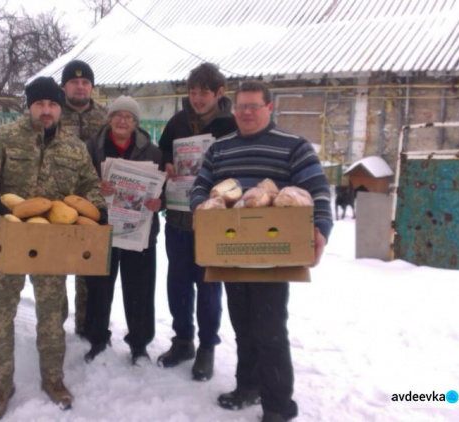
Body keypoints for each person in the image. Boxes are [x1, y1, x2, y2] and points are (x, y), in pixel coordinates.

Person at [0, 76, 107, 421]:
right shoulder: (4, 138)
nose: (47, 110)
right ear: (29, 106)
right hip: (10, 238)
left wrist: (99, 207)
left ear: (59, 108)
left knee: (52, 317)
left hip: (52, 242)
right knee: (2, 317)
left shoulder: (74, 147)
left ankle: (54, 381)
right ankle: (0, 387)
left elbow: (89, 184)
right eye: (40, 104)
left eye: (53, 104)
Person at [189, 81, 332, 422]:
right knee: (242, 327)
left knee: (268, 329)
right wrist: (201, 210)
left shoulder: (293, 146)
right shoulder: (220, 149)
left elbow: (318, 190)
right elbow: (200, 185)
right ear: (233, 109)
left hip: (273, 252)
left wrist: (321, 229)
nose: (247, 113)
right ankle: (248, 386)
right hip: (231, 250)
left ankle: (278, 406)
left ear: (270, 108)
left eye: (254, 106)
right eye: (241, 107)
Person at [157, 63, 239, 381]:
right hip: (178, 216)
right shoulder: (178, 121)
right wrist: (165, 162)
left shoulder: (230, 125)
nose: (197, 97)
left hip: (212, 220)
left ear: (219, 93)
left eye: (204, 91)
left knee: (208, 286)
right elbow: (164, 148)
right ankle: (182, 340)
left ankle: (206, 346)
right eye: (193, 91)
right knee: (177, 283)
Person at [82, 96, 163, 365]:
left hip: (139, 231)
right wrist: (97, 187)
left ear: (136, 122)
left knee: (140, 289)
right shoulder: (93, 147)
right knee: (98, 287)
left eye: (128, 117)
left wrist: (157, 201)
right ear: (109, 119)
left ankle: (139, 345)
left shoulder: (152, 152)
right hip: (101, 227)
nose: (122, 121)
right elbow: (80, 183)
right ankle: (97, 339)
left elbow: (163, 190)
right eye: (117, 115)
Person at [59, 59, 109, 339]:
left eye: (85, 82)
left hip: (93, 200)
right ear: (64, 86)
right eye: (75, 82)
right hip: (57, 200)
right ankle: (55, 327)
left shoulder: (105, 116)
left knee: (88, 266)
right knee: (55, 266)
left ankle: (86, 326)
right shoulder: (50, 113)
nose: (80, 86)